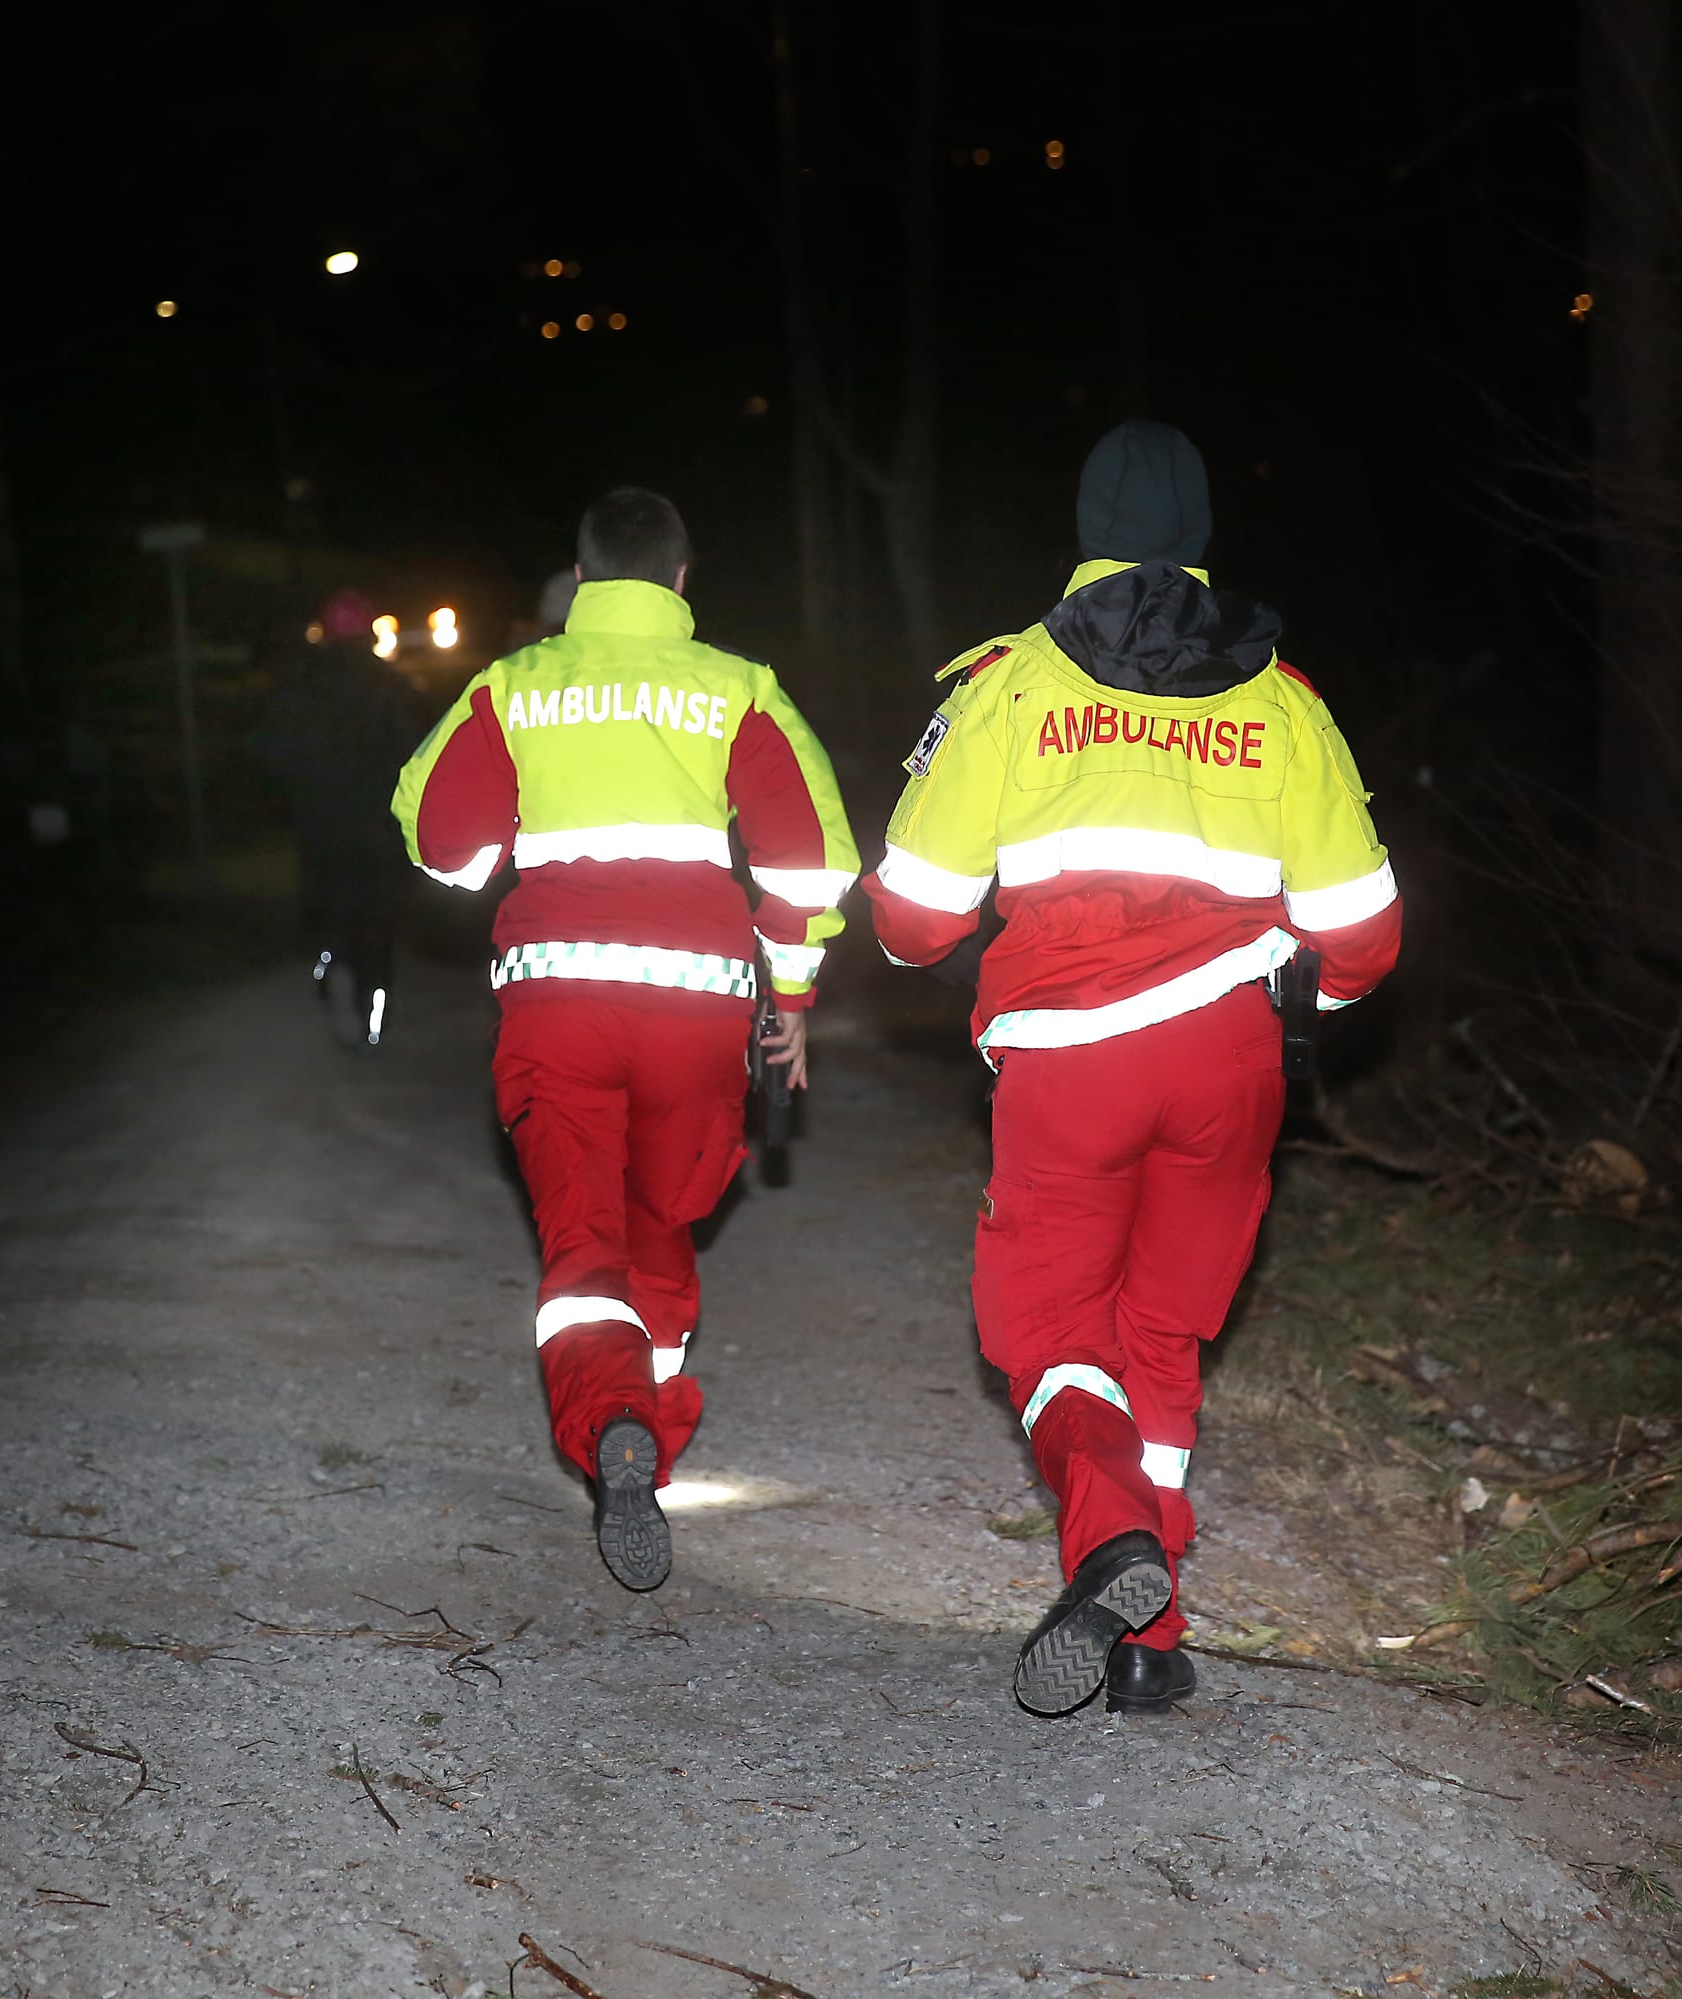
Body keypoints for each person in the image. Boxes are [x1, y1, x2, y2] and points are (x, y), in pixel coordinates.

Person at [864, 422, 1401, 1714]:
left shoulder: (1008, 683)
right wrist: (1294, 1005)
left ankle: (1109, 1538)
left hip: (1070, 1059)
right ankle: (1150, 1637)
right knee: (1159, 1333)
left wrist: (973, 957)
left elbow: (913, 918)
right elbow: (1365, 937)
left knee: (1051, 1332)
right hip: (1229, 1063)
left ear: (1085, 530)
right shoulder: (1283, 700)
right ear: (1202, 535)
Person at [392, 488, 858, 1590]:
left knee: (580, 1248)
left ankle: (613, 1429)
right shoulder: (738, 688)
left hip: (556, 1002)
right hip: (695, 1007)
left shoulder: (514, 685)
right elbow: (807, 858)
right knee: (662, 1222)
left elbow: (440, 842)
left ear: (582, 576)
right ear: (682, 579)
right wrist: (790, 993)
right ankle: (644, 1426)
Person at [262, 588, 425, 1048]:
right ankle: (373, 1013)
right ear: (369, 632)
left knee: (330, 907)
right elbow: (418, 755)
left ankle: (329, 963)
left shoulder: (297, 688)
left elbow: (272, 754)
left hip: (320, 825)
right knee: (375, 922)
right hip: (377, 830)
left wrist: (296, 798)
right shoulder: (393, 688)